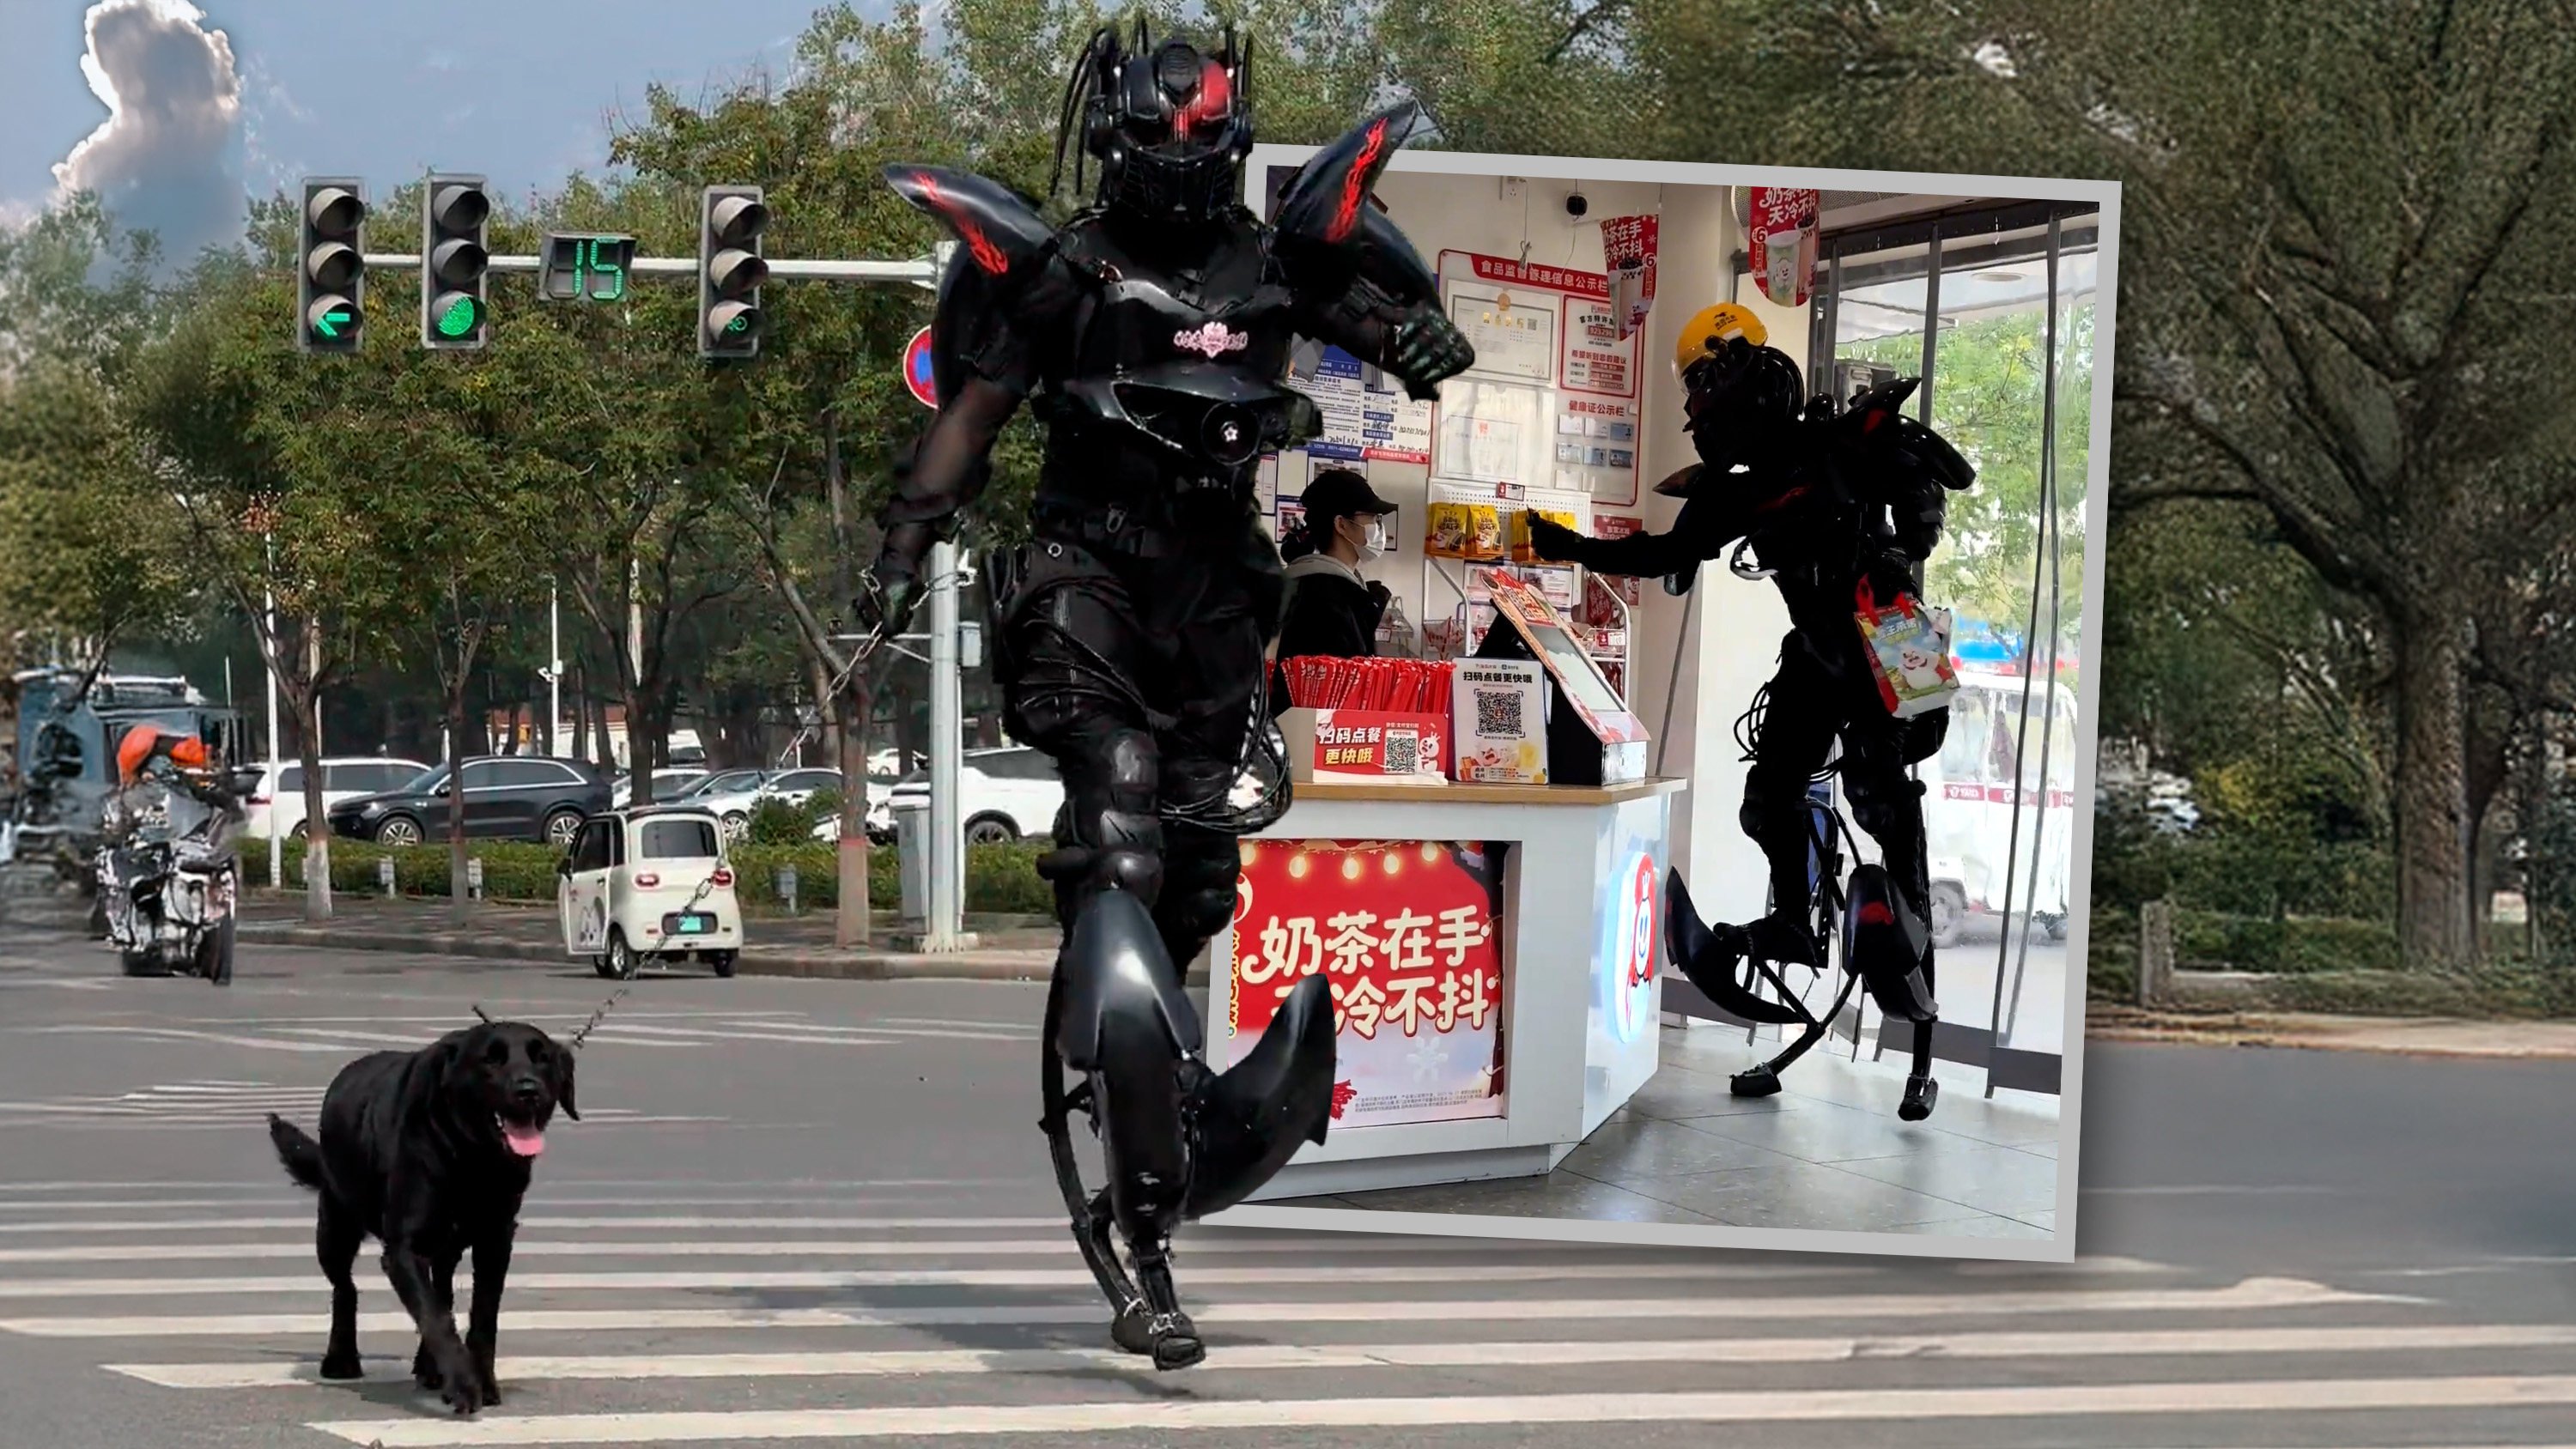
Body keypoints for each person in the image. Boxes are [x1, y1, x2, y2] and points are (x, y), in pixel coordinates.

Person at [854, 19, 1473, 1370]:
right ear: (1115, 140)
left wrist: (1422, 339)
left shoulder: (1272, 262)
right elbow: (974, 410)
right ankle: (1141, 1247)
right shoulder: (1061, 269)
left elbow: (1386, 328)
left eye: (1209, 145)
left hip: (1215, 603)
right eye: (1162, 143)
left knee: (1195, 886)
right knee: (1121, 824)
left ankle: (1165, 1115)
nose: (1186, 169)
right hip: (1091, 585)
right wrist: (906, 542)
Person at [1525, 302, 1973, 1122]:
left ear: (1739, 376)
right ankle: (1797, 926)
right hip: (1818, 652)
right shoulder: (1736, 490)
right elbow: (1667, 552)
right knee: (1769, 800)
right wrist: (1570, 546)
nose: (1695, 406)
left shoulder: (1846, 441)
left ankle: (1919, 1033)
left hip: (1891, 635)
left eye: (1701, 382)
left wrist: (1902, 523)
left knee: (1890, 813)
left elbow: (1939, 491)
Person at [1270, 468, 1395, 713]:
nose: (1379, 528)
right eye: (1372, 518)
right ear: (1342, 525)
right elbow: (1340, 689)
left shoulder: (1321, 584)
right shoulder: (1324, 598)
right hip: (1319, 738)